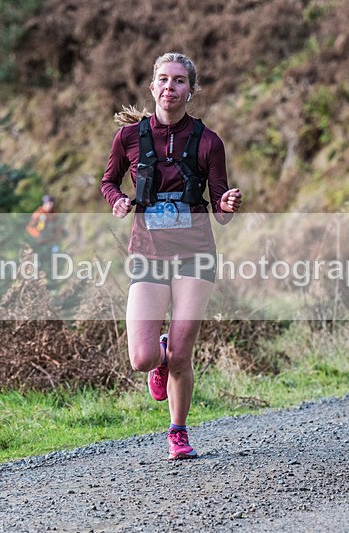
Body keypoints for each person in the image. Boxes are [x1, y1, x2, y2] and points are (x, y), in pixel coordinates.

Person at [101, 52, 242, 460]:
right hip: (147, 252)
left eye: (179, 81)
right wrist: (117, 200)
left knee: (183, 354)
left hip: (196, 254)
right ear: (152, 88)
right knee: (142, 357)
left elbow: (221, 211)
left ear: (190, 91)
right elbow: (109, 180)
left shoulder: (209, 142)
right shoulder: (129, 138)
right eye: (163, 79)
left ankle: (177, 431)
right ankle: (161, 357)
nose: (170, 87)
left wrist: (229, 205)